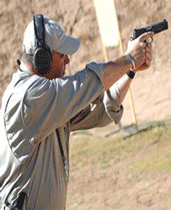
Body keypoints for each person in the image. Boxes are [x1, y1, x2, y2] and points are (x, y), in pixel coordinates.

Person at [0, 14, 153, 210]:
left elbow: (101, 108)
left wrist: (131, 71)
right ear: (43, 58)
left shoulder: (50, 103)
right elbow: (89, 82)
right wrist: (129, 59)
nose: (68, 60)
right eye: (62, 55)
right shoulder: (28, 97)